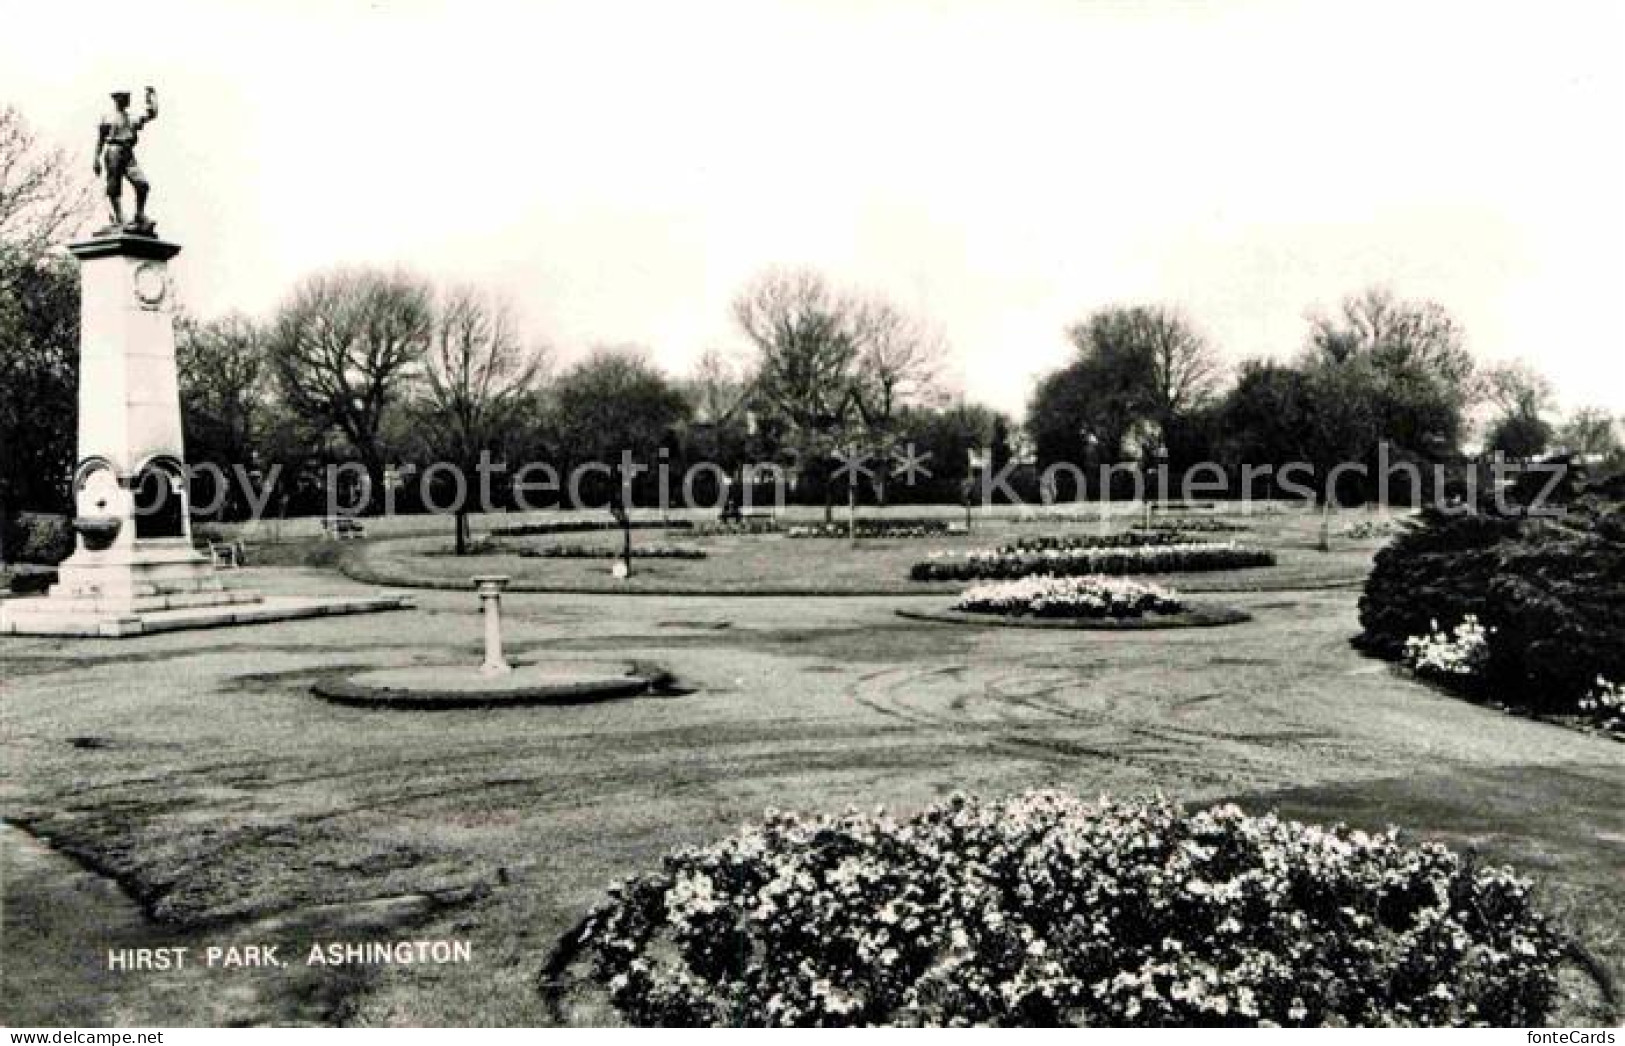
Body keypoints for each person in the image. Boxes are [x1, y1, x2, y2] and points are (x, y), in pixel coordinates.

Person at [94, 87, 159, 232]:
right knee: (114, 187)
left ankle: (139, 215)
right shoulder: (107, 117)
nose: (128, 99)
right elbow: (100, 140)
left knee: (142, 184)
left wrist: (151, 97)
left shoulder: (131, 118)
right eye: (125, 97)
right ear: (117, 99)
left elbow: (151, 114)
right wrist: (96, 159)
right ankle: (118, 218)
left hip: (128, 153)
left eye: (128, 96)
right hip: (113, 151)